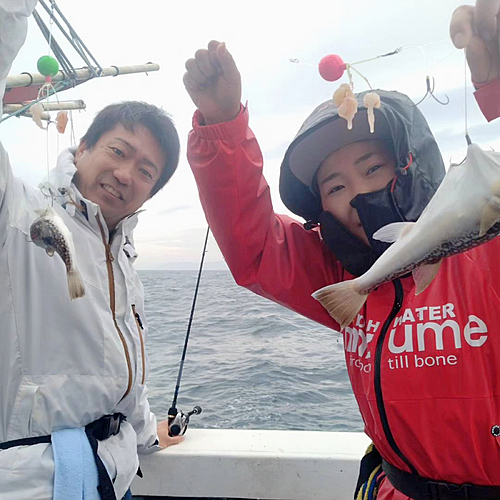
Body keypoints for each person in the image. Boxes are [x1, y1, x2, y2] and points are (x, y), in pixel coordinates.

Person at [184, 3, 500, 499]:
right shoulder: (341, 273)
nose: (357, 195)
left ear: (412, 163)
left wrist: (496, 80)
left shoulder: (488, 244)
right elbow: (256, 247)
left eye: (373, 169)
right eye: (334, 186)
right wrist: (223, 125)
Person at [0, 2, 183, 499]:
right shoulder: (18, 211)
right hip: (33, 484)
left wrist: (147, 435)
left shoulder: (122, 256)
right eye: (118, 151)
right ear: (82, 148)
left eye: (146, 172)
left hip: (112, 479)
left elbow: (123, 372)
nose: (127, 174)